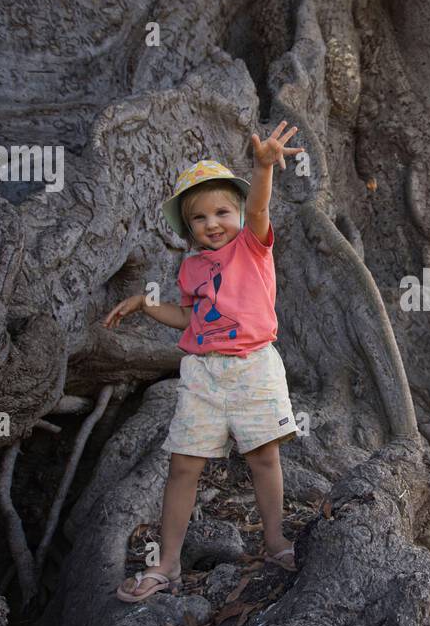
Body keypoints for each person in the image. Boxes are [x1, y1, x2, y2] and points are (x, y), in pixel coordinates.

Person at [102, 122, 305, 601]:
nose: (212, 223)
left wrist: (262, 167)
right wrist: (147, 305)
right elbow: (191, 317)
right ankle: (167, 564)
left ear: (237, 213)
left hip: (253, 365)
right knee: (182, 466)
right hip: (202, 373)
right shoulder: (192, 267)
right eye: (199, 218)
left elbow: (258, 205)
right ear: (186, 227)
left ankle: (275, 542)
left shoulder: (251, 246)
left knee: (263, 456)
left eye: (222, 212)